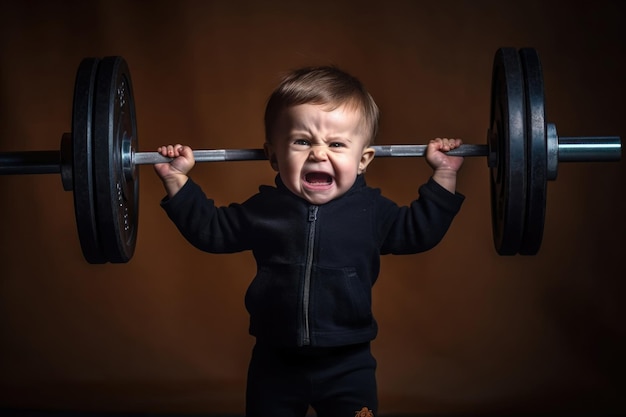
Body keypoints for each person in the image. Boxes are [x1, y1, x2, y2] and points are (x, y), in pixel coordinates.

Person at [154, 66, 465, 417]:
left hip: (348, 361)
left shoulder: (372, 211)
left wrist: (444, 175)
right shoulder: (264, 210)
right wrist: (177, 181)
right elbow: (211, 231)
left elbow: (417, 232)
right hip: (275, 360)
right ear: (273, 155)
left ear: (363, 160)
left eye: (336, 144)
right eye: (302, 141)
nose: (319, 154)